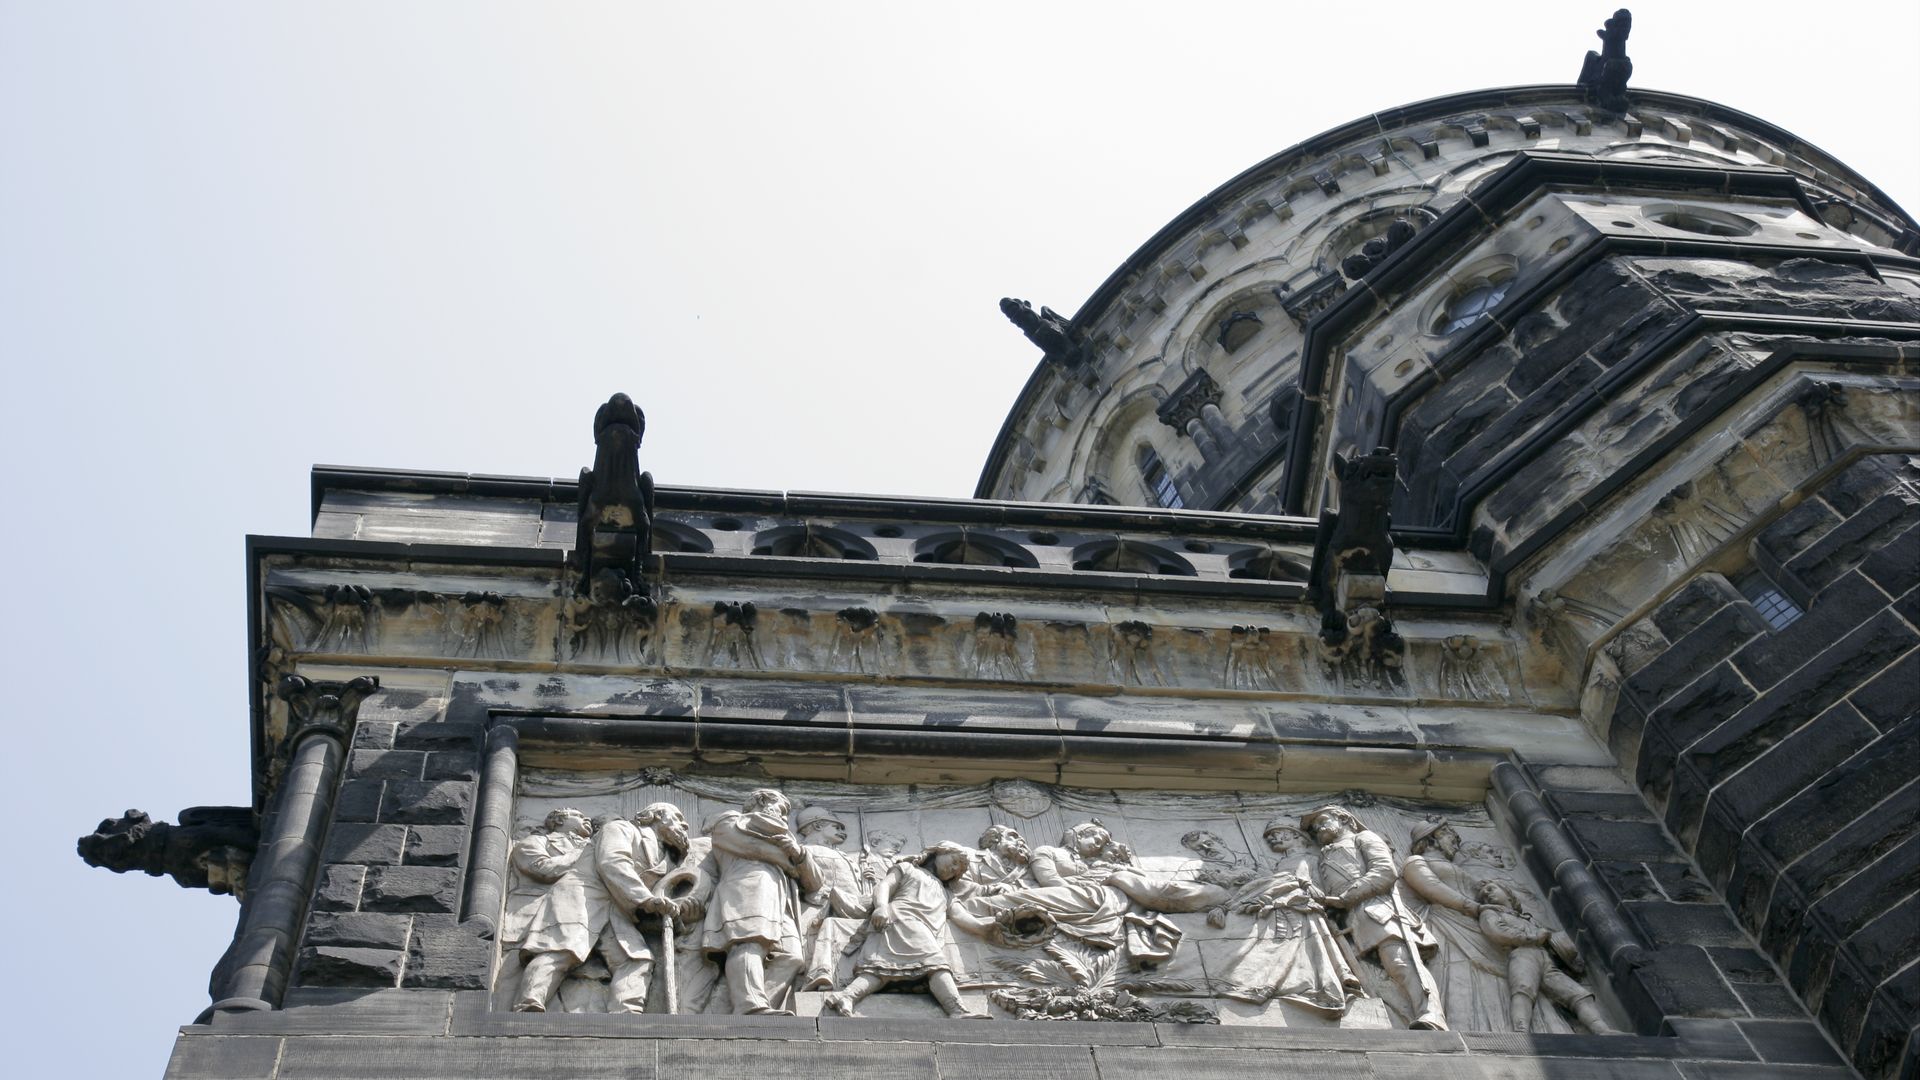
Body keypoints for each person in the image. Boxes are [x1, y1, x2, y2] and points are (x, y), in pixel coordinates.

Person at [1302, 804, 1446, 1029]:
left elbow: (1384, 872)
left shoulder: (1364, 837)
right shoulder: (1323, 855)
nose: (1318, 829)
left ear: (1344, 819)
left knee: (1401, 962)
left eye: (1322, 821)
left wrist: (1345, 898)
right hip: (1349, 922)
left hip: (1378, 910)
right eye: (1314, 828)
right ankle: (1401, 1019)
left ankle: (1431, 1014)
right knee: (1375, 978)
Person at [824, 842, 988, 1019]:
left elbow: (960, 915)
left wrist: (985, 928)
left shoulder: (946, 893)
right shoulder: (908, 869)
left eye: (957, 871)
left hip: (916, 928)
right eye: (954, 861)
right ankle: (956, 1010)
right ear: (938, 852)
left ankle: (846, 996)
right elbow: (884, 886)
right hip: (901, 920)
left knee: (880, 971)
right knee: (936, 965)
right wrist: (881, 907)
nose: (954, 869)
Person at [1215, 821, 1362, 1016]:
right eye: (1269, 836)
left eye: (1277, 833)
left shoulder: (1312, 859)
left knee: (1296, 950)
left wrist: (1294, 887)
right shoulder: (1279, 863)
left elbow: (1317, 890)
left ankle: (1289, 986)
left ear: (1296, 835)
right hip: (1278, 910)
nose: (1272, 839)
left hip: (1301, 911)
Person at [699, 789, 818, 1014]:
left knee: (792, 957)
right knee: (749, 944)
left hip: (781, 902)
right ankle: (749, 1006)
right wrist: (788, 862)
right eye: (781, 809)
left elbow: (814, 882)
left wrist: (799, 854)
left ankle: (754, 1010)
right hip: (747, 889)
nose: (784, 817)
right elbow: (748, 846)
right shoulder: (730, 820)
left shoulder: (789, 840)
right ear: (762, 800)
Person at [1474, 881, 1616, 1034]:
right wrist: (1533, 937)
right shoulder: (1489, 913)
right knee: (1523, 990)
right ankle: (1521, 1033)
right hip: (1522, 954)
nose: (1487, 895)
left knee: (1579, 995)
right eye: (1483, 896)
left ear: (1507, 893)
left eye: (1490, 889)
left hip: (1546, 959)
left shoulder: (1526, 918)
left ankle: (1602, 1030)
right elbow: (1497, 932)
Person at [592, 802, 694, 1012]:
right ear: (656, 815)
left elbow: (663, 893)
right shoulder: (620, 829)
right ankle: (529, 1007)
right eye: (677, 818)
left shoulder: (669, 859)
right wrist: (646, 900)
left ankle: (626, 1016)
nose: (684, 825)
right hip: (591, 903)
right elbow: (613, 862)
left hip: (621, 913)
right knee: (559, 953)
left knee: (636, 960)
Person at [510, 808, 610, 1012]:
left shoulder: (600, 844)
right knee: (558, 951)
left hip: (604, 904)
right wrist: (580, 853)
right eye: (578, 815)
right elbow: (543, 868)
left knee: (633, 955)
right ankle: (529, 1001)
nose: (586, 818)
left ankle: (627, 1012)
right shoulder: (537, 842)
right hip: (563, 905)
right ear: (558, 820)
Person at [792, 806, 872, 991]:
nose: (843, 832)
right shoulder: (804, 852)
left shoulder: (842, 855)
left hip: (851, 909)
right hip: (818, 910)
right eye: (836, 827)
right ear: (818, 825)